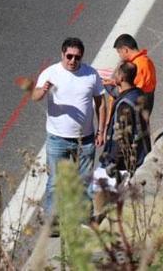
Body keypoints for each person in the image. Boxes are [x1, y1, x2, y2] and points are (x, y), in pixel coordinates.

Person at [32, 37, 106, 226]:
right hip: (57, 139)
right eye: (69, 56)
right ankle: (53, 222)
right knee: (56, 182)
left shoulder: (91, 75)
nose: (73, 61)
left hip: (86, 139)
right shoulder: (50, 73)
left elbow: (101, 104)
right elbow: (35, 96)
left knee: (84, 182)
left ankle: (83, 218)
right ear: (62, 54)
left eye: (77, 57)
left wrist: (101, 131)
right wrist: (44, 90)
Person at [106, 34, 156, 151]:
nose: (119, 56)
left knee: (134, 143)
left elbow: (130, 92)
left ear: (125, 50)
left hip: (134, 112)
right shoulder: (143, 61)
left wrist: (111, 88)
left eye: (119, 52)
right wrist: (115, 82)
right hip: (140, 106)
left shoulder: (139, 65)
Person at [98, 62, 149, 172]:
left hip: (123, 165)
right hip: (140, 154)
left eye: (116, 74)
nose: (113, 76)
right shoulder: (138, 94)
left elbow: (122, 139)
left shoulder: (124, 106)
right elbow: (121, 93)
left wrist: (113, 164)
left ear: (120, 78)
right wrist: (106, 85)